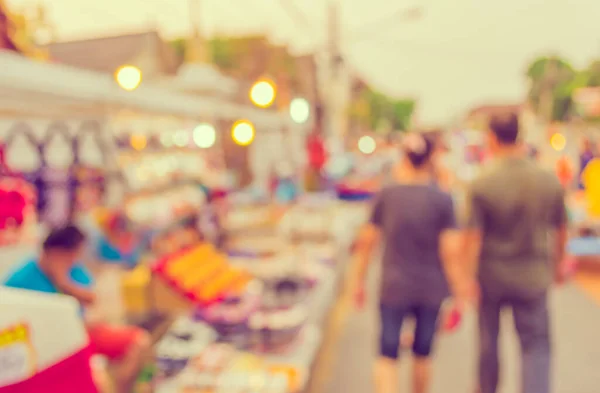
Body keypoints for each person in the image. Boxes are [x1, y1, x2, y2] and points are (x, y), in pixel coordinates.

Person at [462, 112, 568, 393]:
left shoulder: (482, 182)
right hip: (533, 276)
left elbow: (473, 238)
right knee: (536, 347)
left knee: (488, 345)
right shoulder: (547, 179)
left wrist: (467, 279)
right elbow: (561, 229)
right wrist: (558, 266)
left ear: (492, 138)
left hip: (491, 276)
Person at [354, 133, 464, 393]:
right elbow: (451, 251)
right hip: (431, 289)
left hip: (394, 286)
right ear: (430, 159)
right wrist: (458, 294)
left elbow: (367, 241)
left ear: (404, 157)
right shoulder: (442, 199)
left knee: (387, 354)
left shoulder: (388, 195)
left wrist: (359, 281)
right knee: (423, 354)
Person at [3, 225, 151, 393]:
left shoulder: (74, 269)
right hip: (51, 347)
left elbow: (91, 299)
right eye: (70, 254)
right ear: (51, 251)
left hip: (82, 332)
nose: (74, 258)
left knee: (140, 341)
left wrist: (63, 282)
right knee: (94, 379)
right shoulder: (20, 278)